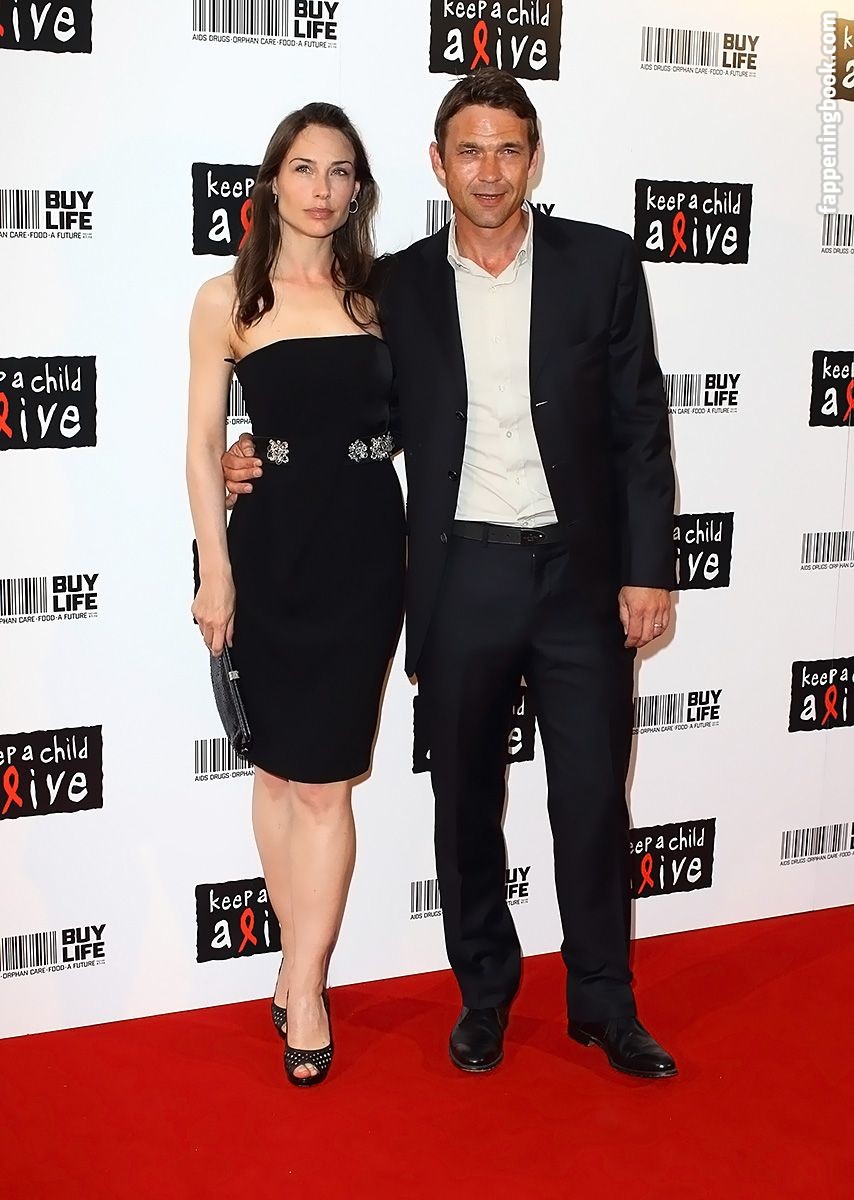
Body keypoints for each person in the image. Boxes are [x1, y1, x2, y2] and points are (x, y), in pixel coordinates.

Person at [224, 69, 678, 1080]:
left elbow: (640, 425)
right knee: (465, 801)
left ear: (534, 158)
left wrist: (647, 569)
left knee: (591, 799)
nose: (489, 170)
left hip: (579, 578)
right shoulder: (392, 287)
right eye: (469, 150)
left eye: (508, 148)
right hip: (460, 572)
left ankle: (604, 1003)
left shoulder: (601, 263)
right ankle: (484, 995)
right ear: (438, 163)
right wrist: (246, 453)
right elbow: (339, 400)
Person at [186, 103, 405, 1087]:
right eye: (305, 168)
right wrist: (214, 568)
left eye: (340, 171)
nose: (322, 188)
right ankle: (298, 960)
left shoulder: (382, 298)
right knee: (276, 775)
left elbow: (424, 420)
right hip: (269, 552)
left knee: (324, 783)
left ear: (358, 191)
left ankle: (305, 982)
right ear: (273, 180)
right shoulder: (226, 299)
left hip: (363, 553)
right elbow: (202, 445)